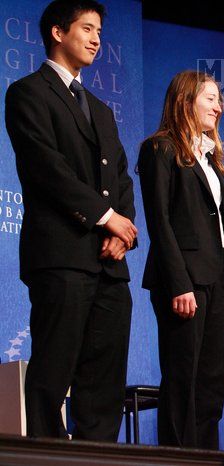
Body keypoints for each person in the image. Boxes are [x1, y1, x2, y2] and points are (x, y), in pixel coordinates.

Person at [4, 0, 137, 441]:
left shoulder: (99, 107)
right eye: (87, 28)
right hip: (61, 254)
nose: (97, 38)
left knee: (105, 378)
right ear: (58, 33)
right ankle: (45, 454)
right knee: (53, 368)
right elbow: (47, 168)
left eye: (100, 30)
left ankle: (99, 454)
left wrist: (123, 229)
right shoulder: (28, 92)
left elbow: (120, 174)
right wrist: (105, 218)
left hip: (108, 263)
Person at [137, 70, 224, 449]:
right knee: (183, 381)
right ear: (186, 101)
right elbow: (160, 221)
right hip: (182, 281)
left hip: (216, 281)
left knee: (212, 385)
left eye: (219, 99)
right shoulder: (160, 148)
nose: (219, 106)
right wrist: (179, 284)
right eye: (211, 98)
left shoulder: (212, 160)